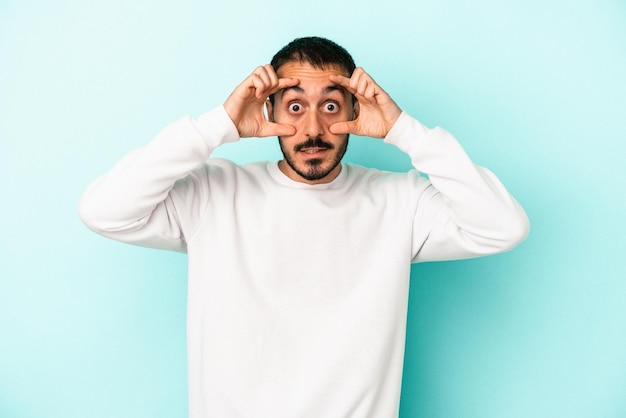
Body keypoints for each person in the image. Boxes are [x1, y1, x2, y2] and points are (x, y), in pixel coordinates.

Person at [79, 36, 529, 418]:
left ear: (357, 108)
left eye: (331, 106)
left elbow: (503, 226)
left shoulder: (401, 203)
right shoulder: (213, 195)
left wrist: (404, 131)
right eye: (295, 106)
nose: (312, 128)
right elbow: (104, 210)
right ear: (268, 107)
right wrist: (218, 126)